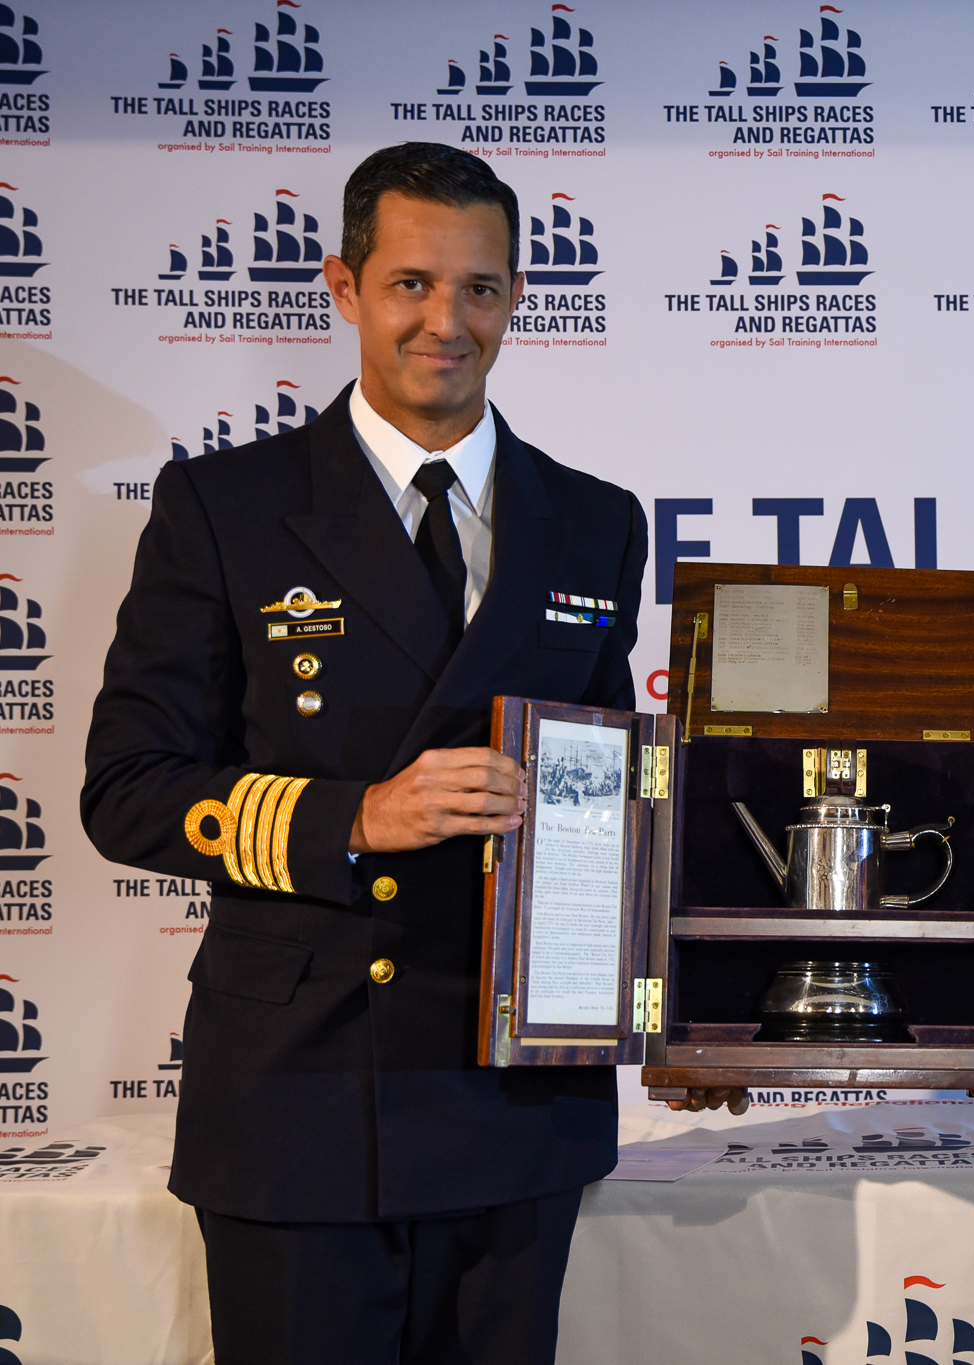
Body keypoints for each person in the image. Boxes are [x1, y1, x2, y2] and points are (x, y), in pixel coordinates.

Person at [82, 143, 649, 1363]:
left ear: (516, 298)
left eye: (480, 288)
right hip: (303, 1095)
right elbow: (127, 790)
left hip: (517, 1095)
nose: (447, 321)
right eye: (410, 284)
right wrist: (354, 818)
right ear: (344, 288)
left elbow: (611, 799)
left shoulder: (595, 522)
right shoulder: (224, 507)